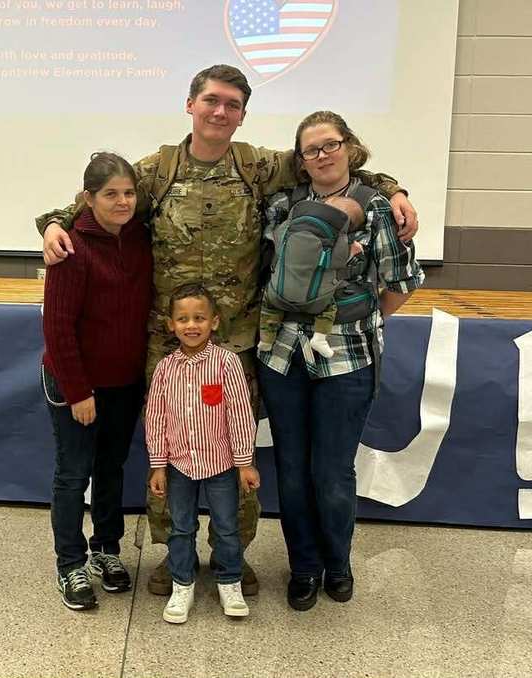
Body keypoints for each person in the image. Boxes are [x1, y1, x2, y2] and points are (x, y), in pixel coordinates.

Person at [36, 64, 420, 597]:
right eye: (212, 100)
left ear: (242, 115)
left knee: (233, 447)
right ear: (190, 105)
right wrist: (53, 223)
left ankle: (229, 556)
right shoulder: (156, 172)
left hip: (235, 341)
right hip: (165, 344)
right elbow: (95, 200)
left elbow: (330, 165)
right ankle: (176, 559)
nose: (221, 111)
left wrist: (392, 189)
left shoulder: (259, 167)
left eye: (233, 104)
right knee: (169, 449)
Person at [256, 111, 425, 612]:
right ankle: (303, 566)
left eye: (330, 144)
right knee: (291, 467)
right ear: (300, 161)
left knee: (332, 470)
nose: (322, 155)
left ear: (349, 146)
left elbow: (400, 282)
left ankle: (338, 563)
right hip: (282, 353)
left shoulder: (377, 209)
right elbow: (264, 271)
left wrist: (363, 319)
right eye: (311, 150)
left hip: (349, 358)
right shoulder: (281, 206)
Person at [41, 152, 152, 611]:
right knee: (74, 474)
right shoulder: (71, 247)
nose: (122, 201)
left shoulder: (141, 238)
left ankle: (106, 549)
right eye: (111, 194)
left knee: (111, 469)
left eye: (128, 193)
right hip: (77, 384)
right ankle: (70, 564)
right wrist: (78, 391)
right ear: (89, 198)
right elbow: (58, 327)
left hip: (124, 383)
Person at [144, 283, 260, 623]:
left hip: (222, 465)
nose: (191, 325)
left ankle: (229, 581)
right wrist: (158, 466)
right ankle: (182, 583)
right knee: (181, 527)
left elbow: (240, 413)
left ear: (214, 321)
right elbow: (156, 418)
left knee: (226, 526)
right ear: (170, 324)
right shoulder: (166, 369)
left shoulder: (227, 364)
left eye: (199, 318)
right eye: (182, 319)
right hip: (179, 466)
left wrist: (244, 463)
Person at [257, 195, 366, 358]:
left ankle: (266, 338)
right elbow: (338, 262)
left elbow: (276, 241)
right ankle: (320, 338)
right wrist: (352, 252)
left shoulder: (294, 224)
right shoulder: (341, 239)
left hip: (278, 292)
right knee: (329, 309)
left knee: (269, 305)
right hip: (317, 300)